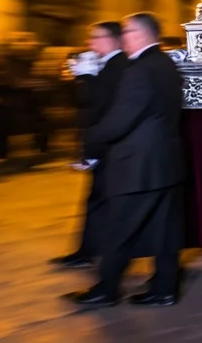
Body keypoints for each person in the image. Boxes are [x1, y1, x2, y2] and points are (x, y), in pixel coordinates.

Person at [64, 13, 186, 308]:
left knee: (119, 229)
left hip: (138, 165)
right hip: (166, 163)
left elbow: (120, 120)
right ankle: (165, 288)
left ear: (143, 34)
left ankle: (106, 289)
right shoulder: (166, 64)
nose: (124, 37)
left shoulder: (139, 70)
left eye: (128, 31)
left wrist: (90, 139)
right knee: (166, 231)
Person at [50, 21, 128, 269]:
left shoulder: (118, 66)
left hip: (110, 145)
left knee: (103, 201)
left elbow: (97, 104)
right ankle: (87, 250)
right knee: (95, 199)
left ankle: (102, 256)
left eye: (96, 37)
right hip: (100, 144)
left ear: (114, 39)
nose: (90, 42)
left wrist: (85, 77)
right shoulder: (105, 65)